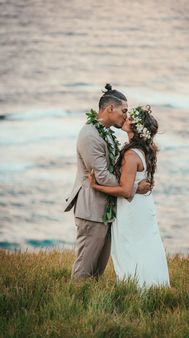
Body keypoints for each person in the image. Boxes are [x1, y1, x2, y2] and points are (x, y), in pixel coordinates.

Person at [64, 84, 151, 280]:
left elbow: (116, 169)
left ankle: (91, 306)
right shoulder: (90, 135)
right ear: (110, 108)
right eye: (124, 110)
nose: (126, 116)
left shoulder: (106, 132)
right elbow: (102, 176)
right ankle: (74, 302)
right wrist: (134, 187)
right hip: (91, 209)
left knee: (98, 271)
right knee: (84, 269)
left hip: (104, 209)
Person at [88, 105, 170, 288]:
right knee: (146, 244)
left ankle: (135, 288)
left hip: (131, 208)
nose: (126, 118)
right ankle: (154, 286)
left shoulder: (131, 155)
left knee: (129, 246)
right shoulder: (144, 150)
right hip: (143, 206)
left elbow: (125, 191)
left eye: (131, 119)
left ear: (137, 129)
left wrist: (96, 186)